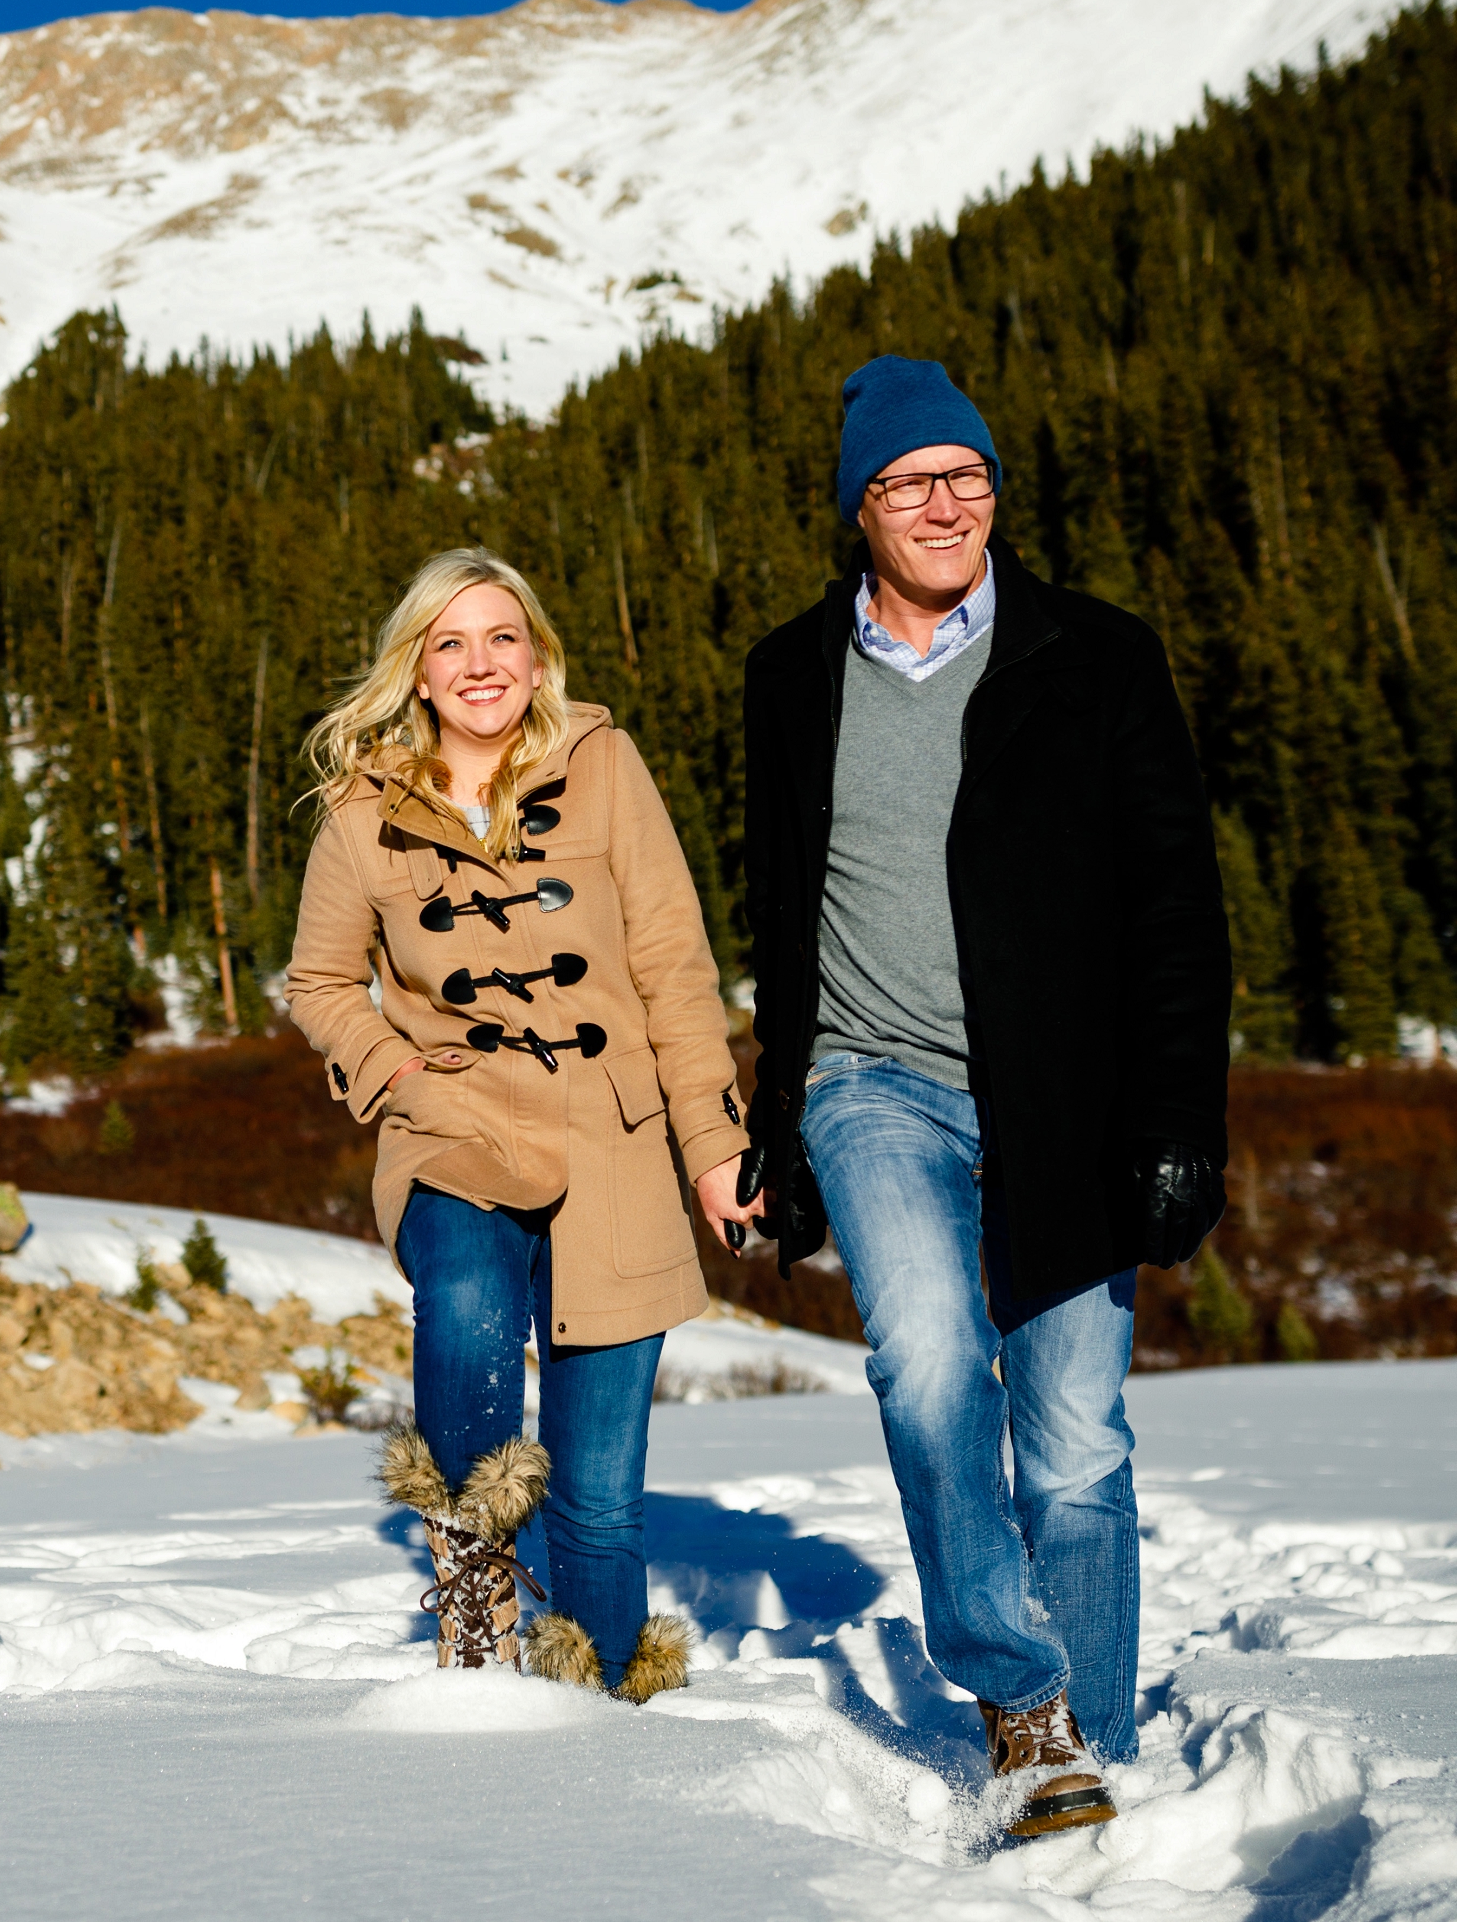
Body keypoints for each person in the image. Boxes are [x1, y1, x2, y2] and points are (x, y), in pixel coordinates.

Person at [724, 356, 1231, 1836]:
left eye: (969, 476)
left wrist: (1180, 1124)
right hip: (874, 1085)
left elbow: (1175, 909)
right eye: (909, 482)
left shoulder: (1097, 656)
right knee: (934, 1363)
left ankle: (1099, 1758)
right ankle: (1022, 1703)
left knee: (1074, 1440)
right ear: (857, 510)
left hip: (1066, 1100)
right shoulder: (789, 673)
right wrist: (782, 1116)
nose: (946, 506)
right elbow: (782, 910)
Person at [287, 547, 744, 1698]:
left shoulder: (604, 765)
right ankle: (474, 1576)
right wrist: (401, 1073)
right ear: (418, 671)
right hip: (453, 1123)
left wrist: (714, 1141)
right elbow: (320, 983)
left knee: (596, 1494)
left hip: (615, 1142)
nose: (478, 662)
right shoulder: (362, 810)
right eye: (449, 642)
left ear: (536, 654)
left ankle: (596, 1700)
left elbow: (673, 967)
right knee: (465, 1300)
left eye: (500, 636)